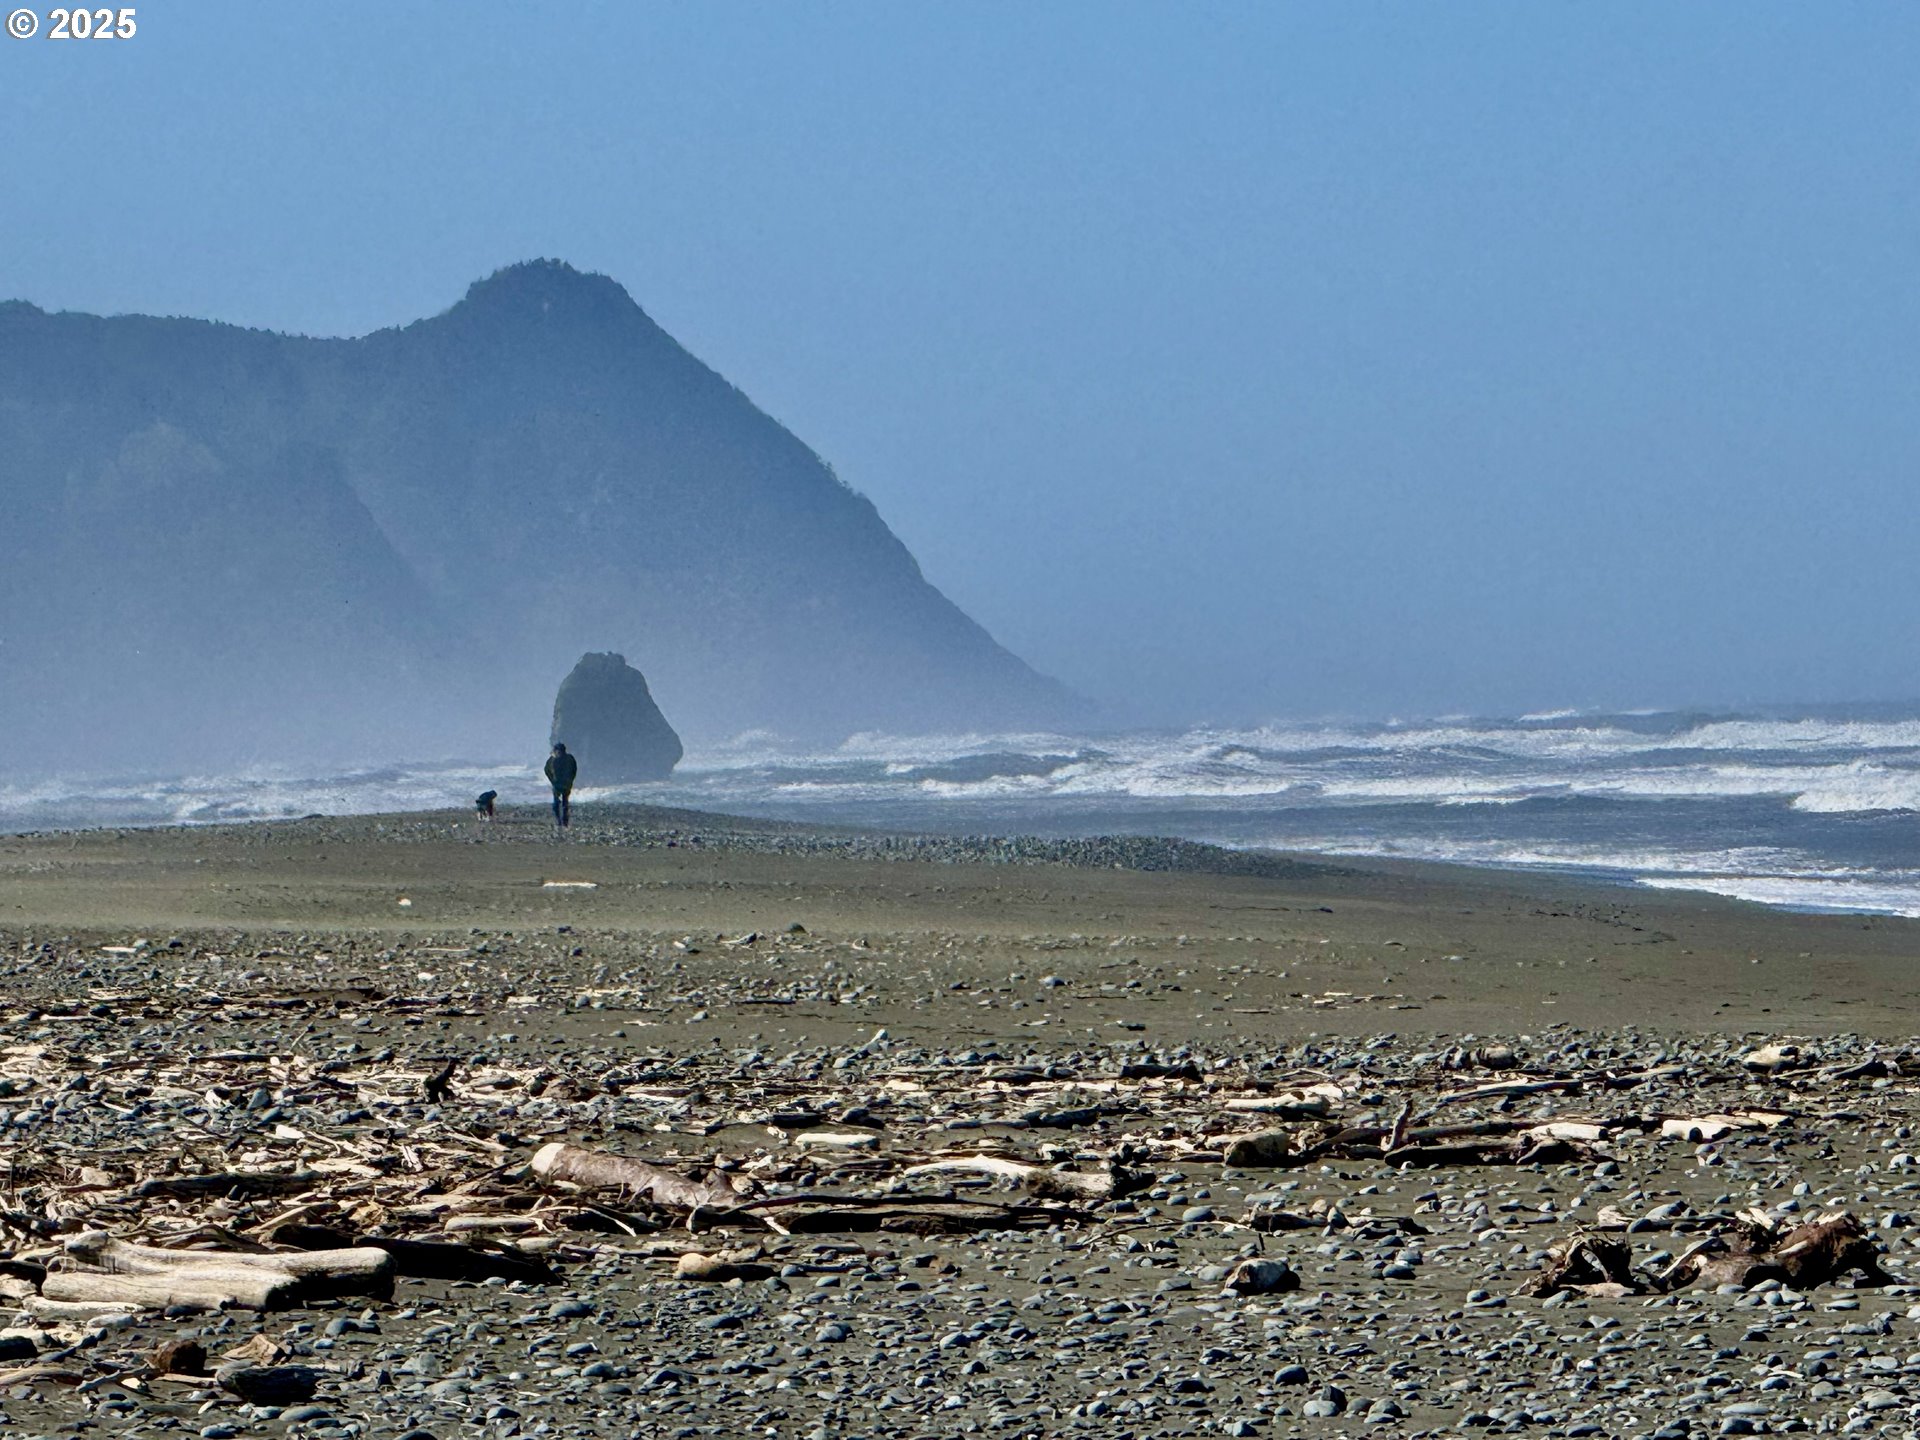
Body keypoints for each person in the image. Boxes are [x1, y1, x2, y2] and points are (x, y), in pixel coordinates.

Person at [544, 743, 578, 828]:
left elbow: (574, 769)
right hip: (559, 784)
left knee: (563, 803)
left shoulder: (567, 759)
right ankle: (561, 821)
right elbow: (547, 771)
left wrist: (570, 780)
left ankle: (563, 820)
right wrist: (553, 780)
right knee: (559, 804)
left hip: (564, 784)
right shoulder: (553, 759)